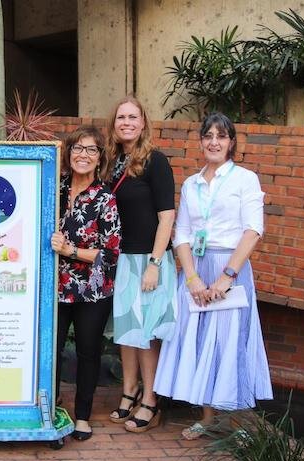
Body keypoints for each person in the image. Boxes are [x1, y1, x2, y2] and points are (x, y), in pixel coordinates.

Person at [154, 112, 272, 440]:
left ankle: (236, 422)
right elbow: (183, 234)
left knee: (231, 341)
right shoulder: (192, 184)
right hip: (197, 269)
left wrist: (227, 276)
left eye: (221, 136)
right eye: (208, 136)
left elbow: (253, 229)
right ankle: (207, 418)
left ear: (231, 142)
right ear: (201, 141)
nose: (214, 142)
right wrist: (191, 278)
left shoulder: (244, 179)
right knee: (201, 339)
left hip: (230, 268)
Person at [104, 96, 177, 433]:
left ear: (143, 123)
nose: (127, 123)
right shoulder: (112, 162)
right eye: (121, 117)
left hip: (148, 259)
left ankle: (151, 398)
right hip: (121, 259)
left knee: (146, 333)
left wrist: (154, 263)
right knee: (127, 331)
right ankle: (128, 391)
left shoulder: (156, 161)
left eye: (133, 117)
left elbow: (167, 218)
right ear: (114, 124)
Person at [51, 126, 121, 441]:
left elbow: (111, 253)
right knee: (49, 348)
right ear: (68, 154)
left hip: (92, 290)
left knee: (88, 351)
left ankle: (82, 416)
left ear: (100, 158)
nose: (83, 155)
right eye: (78, 148)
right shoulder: (53, 187)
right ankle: (49, 407)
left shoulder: (105, 198)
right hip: (53, 286)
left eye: (91, 150)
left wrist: (72, 251)